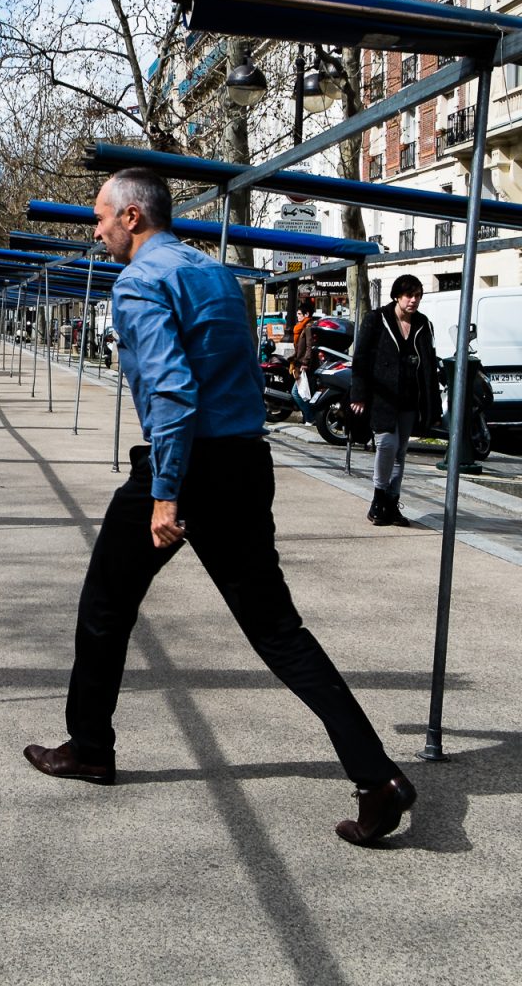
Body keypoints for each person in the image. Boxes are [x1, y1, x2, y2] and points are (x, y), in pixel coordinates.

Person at [23, 169, 416, 846]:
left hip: (185, 466)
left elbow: (172, 394)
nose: (98, 230)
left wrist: (166, 493)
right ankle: (375, 774)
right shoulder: (217, 278)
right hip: (244, 461)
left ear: (134, 218)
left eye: (102, 218)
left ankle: (90, 747)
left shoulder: (141, 283)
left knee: (104, 607)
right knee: (278, 631)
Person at [350, 274, 441, 528]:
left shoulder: (423, 324)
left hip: (410, 399)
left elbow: (429, 366)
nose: (414, 301)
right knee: (386, 444)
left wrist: (433, 406)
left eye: (418, 296)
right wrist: (358, 394)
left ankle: (391, 503)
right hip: (382, 397)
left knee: (401, 451)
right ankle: (378, 498)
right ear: (397, 296)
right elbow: (361, 359)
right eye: (409, 295)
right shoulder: (376, 320)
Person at [290, 301, 318, 423]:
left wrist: (305, 363)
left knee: (296, 392)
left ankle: (310, 417)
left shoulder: (308, 327)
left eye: (300, 314)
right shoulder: (301, 327)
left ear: (307, 314)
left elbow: (309, 346)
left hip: (304, 365)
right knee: (304, 392)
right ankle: (308, 417)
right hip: (299, 363)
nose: (298, 316)